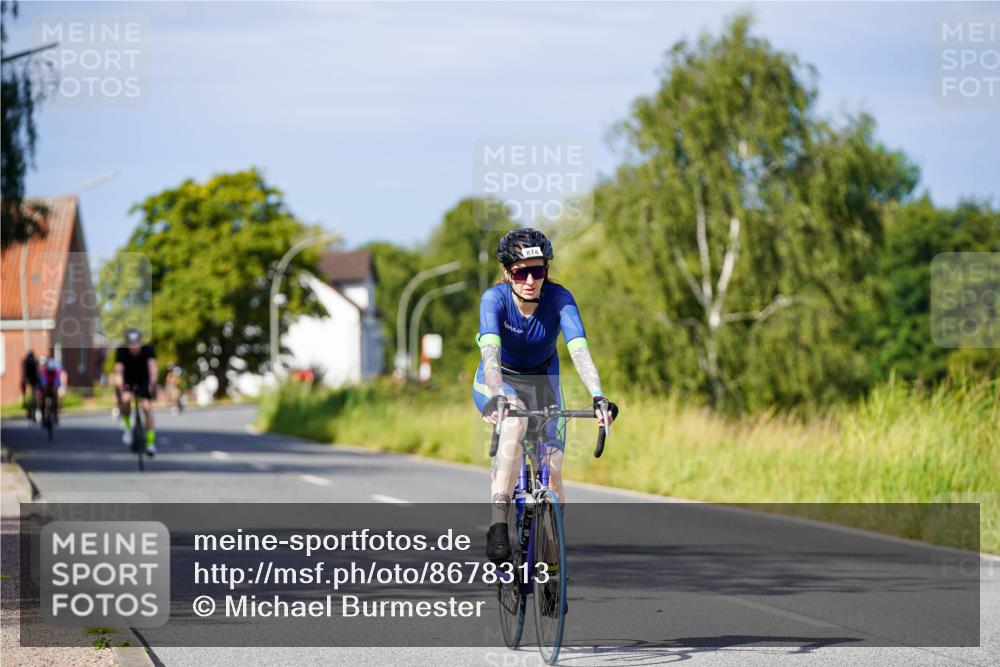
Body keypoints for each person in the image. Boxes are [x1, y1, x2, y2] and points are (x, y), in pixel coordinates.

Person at [473, 228, 618, 563]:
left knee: (551, 471)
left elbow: (579, 351)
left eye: (537, 271)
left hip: (543, 381)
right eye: (520, 273)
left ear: (546, 271)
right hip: (500, 380)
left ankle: (553, 565)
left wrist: (598, 395)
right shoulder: (494, 300)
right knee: (514, 425)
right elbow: (490, 354)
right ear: (507, 273)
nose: (530, 281)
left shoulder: (560, 299)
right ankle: (498, 523)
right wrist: (498, 395)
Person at [114, 328, 158, 454]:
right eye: (131, 344)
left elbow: (153, 369)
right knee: (126, 399)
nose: (134, 347)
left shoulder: (148, 350)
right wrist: (120, 385)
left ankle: (150, 443)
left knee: (147, 407)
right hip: (128, 379)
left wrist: (152, 384)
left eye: (137, 343)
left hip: (144, 379)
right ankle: (127, 428)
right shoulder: (122, 351)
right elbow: (118, 371)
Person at [36, 351, 67, 425]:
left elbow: (58, 382)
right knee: (42, 399)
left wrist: (61, 388)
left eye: (52, 370)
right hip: (45, 387)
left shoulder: (57, 372)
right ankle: (43, 417)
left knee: (55, 397)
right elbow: (42, 383)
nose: (51, 371)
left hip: (53, 387)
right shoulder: (43, 372)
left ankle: (55, 416)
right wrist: (40, 390)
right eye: (49, 370)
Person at [20, 350, 39, 421]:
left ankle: (31, 412)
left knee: (33, 398)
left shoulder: (28, 362)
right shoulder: (30, 362)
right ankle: (30, 412)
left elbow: (36, 373)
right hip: (30, 382)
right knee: (31, 398)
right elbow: (25, 374)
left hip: (32, 382)